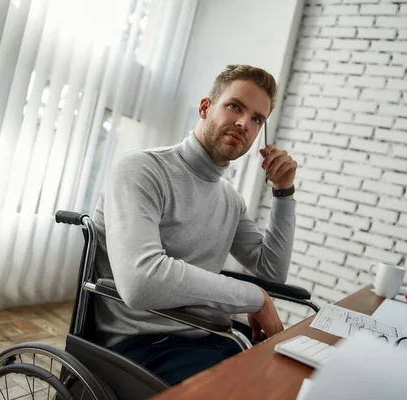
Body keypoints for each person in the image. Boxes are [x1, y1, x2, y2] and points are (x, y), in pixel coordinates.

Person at [92, 64, 298, 386]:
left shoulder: (230, 200)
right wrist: (253, 297)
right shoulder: (142, 170)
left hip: (209, 335)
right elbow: (140, 283)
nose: (244, 123)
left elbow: (271, 273)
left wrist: (283, 193)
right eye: (235, 106)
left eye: (257, 118)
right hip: (145, 345)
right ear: (205, 107)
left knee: (289, 383)